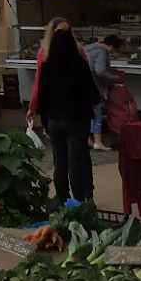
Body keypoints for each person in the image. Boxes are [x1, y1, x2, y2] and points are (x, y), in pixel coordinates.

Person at [37, 24, 100, 205]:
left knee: (59, 160)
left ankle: (62, 197)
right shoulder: (79, 65)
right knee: (76, 160)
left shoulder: (47, 66)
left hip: (54, 121)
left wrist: (45, 121)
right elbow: (93, 95)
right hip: (76, 120)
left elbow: (42, 97)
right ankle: (81, 199)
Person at [83, 33, 119, 151]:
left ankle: (87, 139)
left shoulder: (88, 48)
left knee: (86, 114)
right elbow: (100, 71)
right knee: (96, 114)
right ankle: (98, 141)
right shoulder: (102, 52)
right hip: (94, 87)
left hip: (83, 85)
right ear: (112, 46)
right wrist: (112, 77)